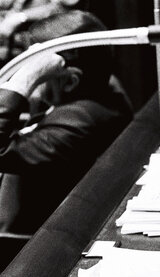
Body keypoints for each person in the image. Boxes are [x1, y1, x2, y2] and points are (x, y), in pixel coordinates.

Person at [0, 10, 132, 234]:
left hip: (15, 244)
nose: (22, 69)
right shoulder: (103, 85)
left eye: (35, 67)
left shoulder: (79, 123)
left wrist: (25, 80)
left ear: (70, 81)